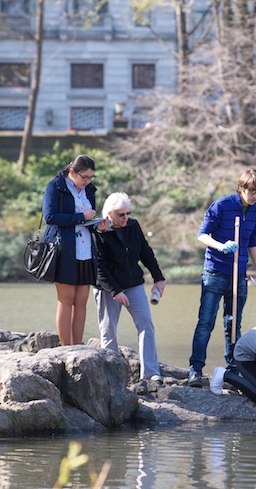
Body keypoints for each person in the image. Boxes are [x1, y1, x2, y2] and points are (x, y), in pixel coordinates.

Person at [187, 168, 256, 388]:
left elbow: (253, 242)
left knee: (233, 325)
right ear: (241, 187)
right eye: (251, 191)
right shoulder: (221, 206)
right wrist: (221, 246)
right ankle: (195, 370)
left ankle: (233, 371)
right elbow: (202, 235)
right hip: (215, 272)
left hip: (239, 275)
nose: (254, 197)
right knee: (206, 323)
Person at [93, 192, 166, 381]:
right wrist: (115, 291)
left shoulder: (132, 225)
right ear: (109, 214)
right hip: (108, 288)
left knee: (146, 324)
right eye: (121, 215)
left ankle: (150, 373)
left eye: (127, 213)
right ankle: (112, 376)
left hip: (133, 283)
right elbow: (98, 266)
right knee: (108, 331)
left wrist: (158, 278)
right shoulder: (97, 231)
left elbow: (145, 252)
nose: (126, 217)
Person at [43, 154, 109, 346]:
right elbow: (50, 217)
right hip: (64, 248)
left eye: (91, 178)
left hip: (86, 250)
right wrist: (80, 217)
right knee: (66, 299)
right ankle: (66, 348)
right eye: (84, 177)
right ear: (72, 172)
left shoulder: (89, 190)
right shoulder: (55, 186)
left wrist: (97, 225)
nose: (87, 182)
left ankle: (77, 346)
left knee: (81, 300)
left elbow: (88, 220)